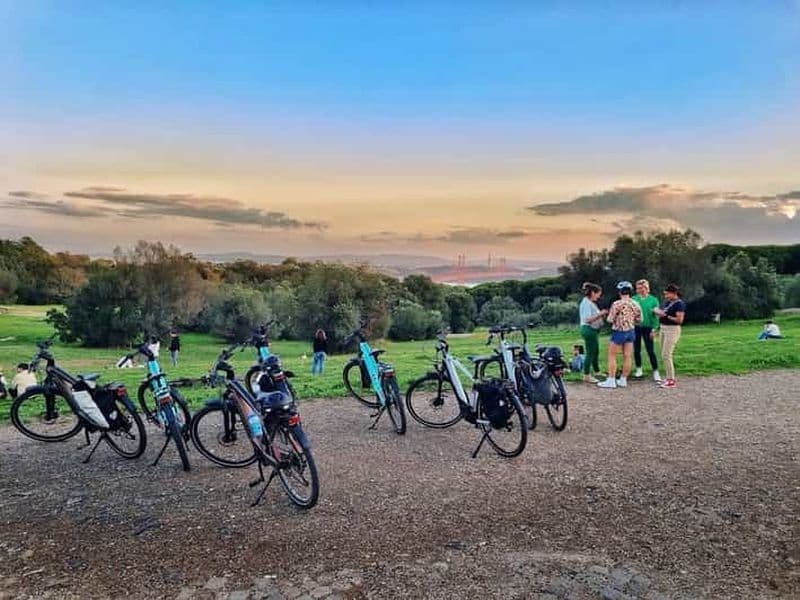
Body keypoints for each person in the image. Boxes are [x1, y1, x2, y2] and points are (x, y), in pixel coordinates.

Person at [598, 281, 642, 389]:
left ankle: (611, 380)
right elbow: (640, 319)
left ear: (619, 292)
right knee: (627, 356)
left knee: (612, 355)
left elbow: (609, 319)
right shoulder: (635, 303)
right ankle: (623, 379)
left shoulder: (617, 304)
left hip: (619, 331)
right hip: (631, 331)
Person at [653, 283, 686, 389]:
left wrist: (665, 315)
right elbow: (664, 313)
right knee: (663, 354)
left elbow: (679, 320)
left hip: (672, 330)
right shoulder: (668, 303)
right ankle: (668, 378)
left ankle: (671, 380)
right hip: (663, 328)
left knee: (667, 354)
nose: (666, 296)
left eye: (667, 294)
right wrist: (658, 313)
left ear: (674, 293)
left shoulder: (679, 304)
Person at [633, 279, 662, 382]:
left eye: (642, 288)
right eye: (638, 288)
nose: (640, 290)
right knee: (636, 349)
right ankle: (639, 369)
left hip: (648, 327)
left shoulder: (653, 300)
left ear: (647, 288)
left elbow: (656, 316)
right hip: (636, 327)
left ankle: (655, 371)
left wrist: (654, 328)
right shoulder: (634, 299)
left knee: (650, 350)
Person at [579, 282, 607, 383]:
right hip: (588, 329)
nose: (599, 296)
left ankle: (597, 371)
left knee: (595, 351)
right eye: (598, 294)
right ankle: (586, 375)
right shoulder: (586, 303)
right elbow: (588, 319)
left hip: (592, 330)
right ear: (592, 293)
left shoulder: (589, 303)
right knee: (590, 353)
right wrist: (601, 313)